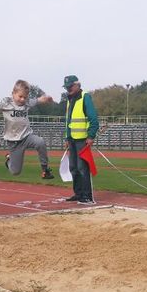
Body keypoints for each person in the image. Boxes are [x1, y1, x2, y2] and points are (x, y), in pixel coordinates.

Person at [0, 79, 55, 179]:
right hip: (13, 142)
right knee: (15, 172)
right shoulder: (6, 102)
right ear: (13, 93)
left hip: (27, 136)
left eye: (25, 97)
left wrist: (46, 98)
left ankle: (45, 170)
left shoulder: (27, 102)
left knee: (40, 142)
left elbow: (39, 100)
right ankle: (9, 160)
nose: (23, 99)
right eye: (20, 96)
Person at [63, 75, 99, 204]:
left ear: (77, 85)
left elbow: (93, 118)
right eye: (67, 87)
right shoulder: (69, 100)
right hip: (72, 139)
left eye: (70, 86)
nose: (68, 89)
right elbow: (68, 121)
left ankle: (87, 196)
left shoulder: (85, 97)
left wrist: (91, 136)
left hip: (82, 139)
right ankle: (78, 193)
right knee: (73, 167)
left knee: (82, 167)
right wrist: (67, 137)